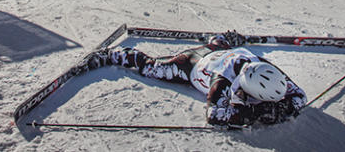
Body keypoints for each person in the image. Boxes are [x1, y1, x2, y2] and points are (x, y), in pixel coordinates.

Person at [87, 32, 306, 127]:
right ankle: (112, 54)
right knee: (153, 67)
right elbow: (215, 115)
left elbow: (299, 95)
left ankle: (219, 40)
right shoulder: (223, 81)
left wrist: (284, 105)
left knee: (222, 46)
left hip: (220, 51)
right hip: (190, 63)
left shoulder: (262, 66)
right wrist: (256, 113)